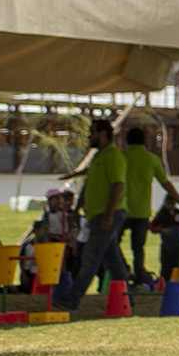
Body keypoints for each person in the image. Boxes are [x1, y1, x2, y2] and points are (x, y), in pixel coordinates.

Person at [54, 119, 131, 311]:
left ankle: (73, 298)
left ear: (104, 134)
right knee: (112, 259)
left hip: (107, 214)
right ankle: (126, 297)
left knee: (90, 257)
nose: (90, 136)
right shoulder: (99, 157)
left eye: (93, 132)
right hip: (97, 214)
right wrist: (78, 209)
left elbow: (118, 185)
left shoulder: (113, 156)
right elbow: (89, 185)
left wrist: (108, 215)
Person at [121, 128, 179, 284]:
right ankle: (138, 277)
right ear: (144, 141)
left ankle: (124, 270)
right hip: (141, 211)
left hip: (121, 208)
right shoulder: (151, 159)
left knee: (112, 244)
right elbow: (166, 183)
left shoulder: (121, 157)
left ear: (126, 141)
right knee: (138, 249)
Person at [149, 194, 179, 282]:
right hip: (167, 244)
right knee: (166, 265)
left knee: (177, 264)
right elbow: (152, 227)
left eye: (172, 204)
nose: (170, 206)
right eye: (168, 204)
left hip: (178, 244)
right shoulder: (161, 214)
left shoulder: (178, 213)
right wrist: (162, 230)